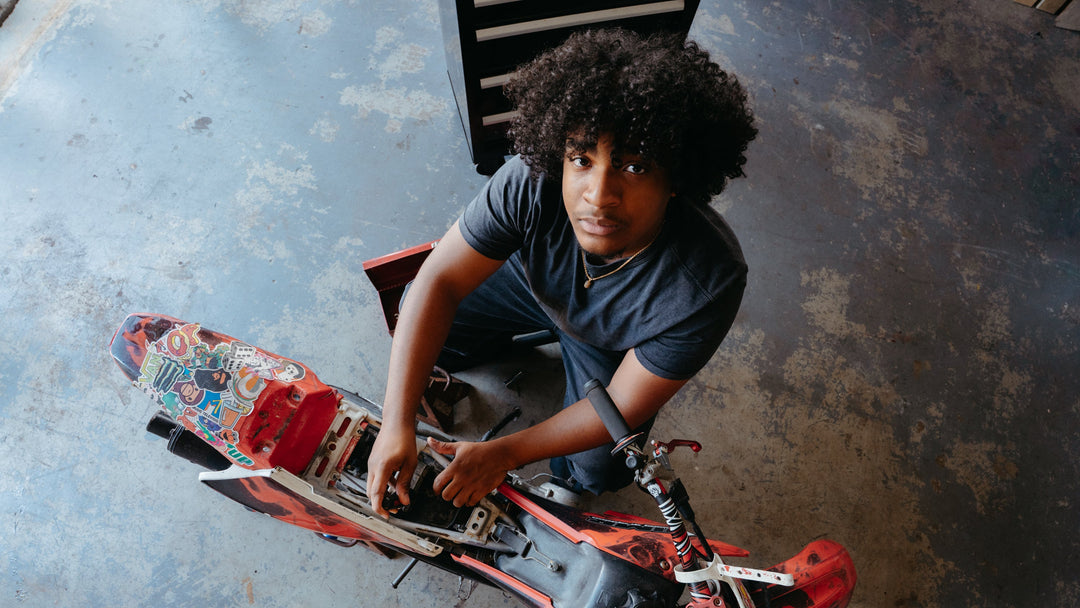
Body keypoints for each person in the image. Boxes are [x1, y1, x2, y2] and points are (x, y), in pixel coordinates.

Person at [367, 28, 757, 517]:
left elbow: (624, 400)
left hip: (609, 345)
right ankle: (519, 342)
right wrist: (395, 421)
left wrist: (502, 453)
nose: (599, 194)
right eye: (581, 159)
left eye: (634, 167)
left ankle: (568, 467)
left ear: (676, 178)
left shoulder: (706, 284)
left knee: (601, 467)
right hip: (528, 285)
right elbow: (438, 281)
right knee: (421, 318)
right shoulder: (530, 181)